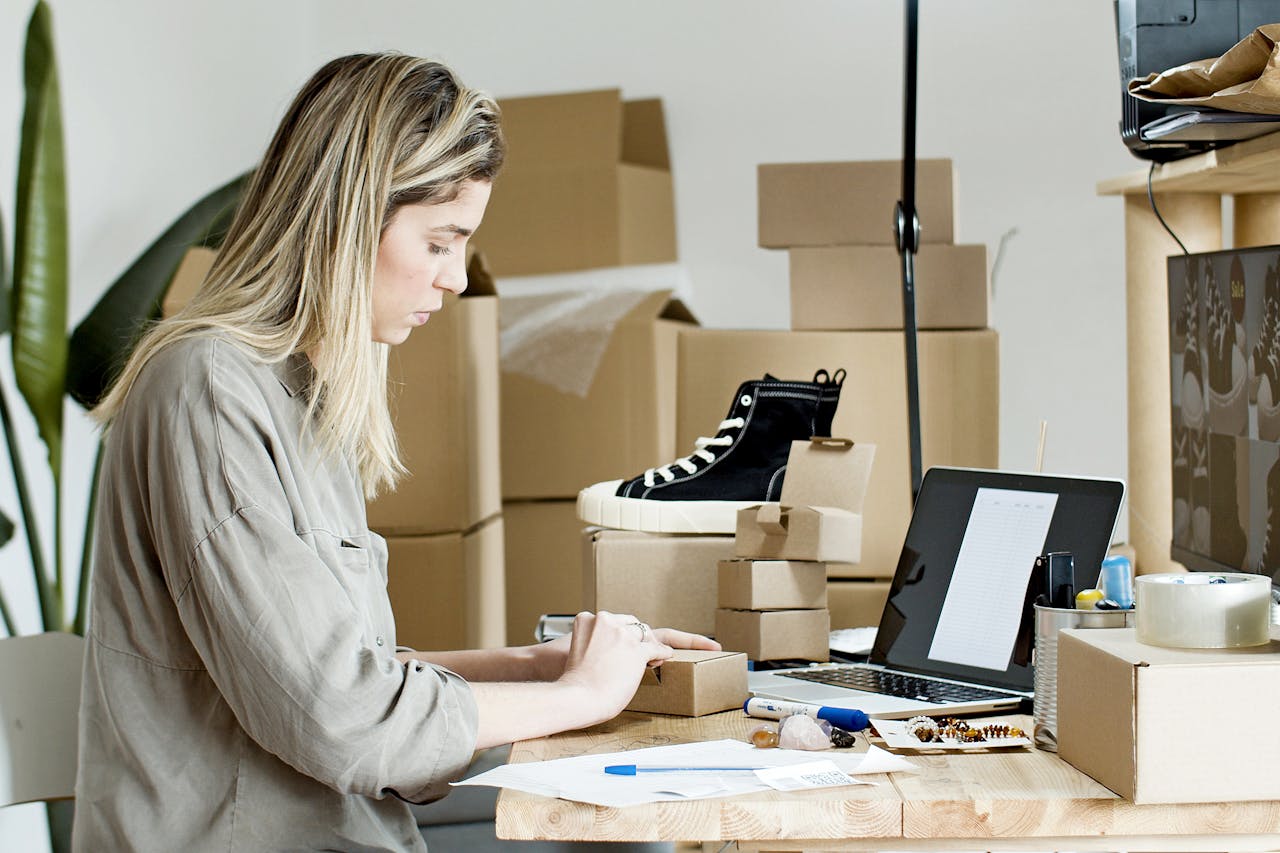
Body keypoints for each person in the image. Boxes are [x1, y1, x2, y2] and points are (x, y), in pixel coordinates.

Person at [74, 52, 718, 851]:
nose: (454, 279)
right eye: (441, 242)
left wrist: (538, 667)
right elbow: (344, 720)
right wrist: (584, 694)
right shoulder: (208, 391)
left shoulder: (300, 394)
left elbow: (346, 672)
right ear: (348, 217)